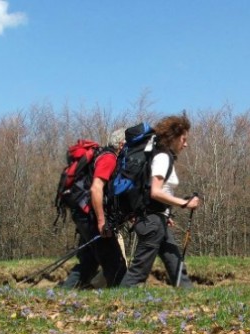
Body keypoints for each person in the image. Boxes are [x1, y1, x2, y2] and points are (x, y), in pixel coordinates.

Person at [120, 114, 202, 288]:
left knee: (175, 261)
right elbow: (155, 191)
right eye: (183, 139)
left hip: (157, 219)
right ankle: (117, 305)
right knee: (138, 272)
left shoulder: (161, 156)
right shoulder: (162, 157)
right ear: (174, 137)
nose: (186, 144)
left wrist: (166, 212)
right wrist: (184, 203)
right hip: (152, 222)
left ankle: (189, 295)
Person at [61, 129, 127, 289]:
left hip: (83, 214)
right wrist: (101, 221)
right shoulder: (109, 158)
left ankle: (62, 294)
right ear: (121, 144)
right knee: (115, 264)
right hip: (90, 217)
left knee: (89, 263)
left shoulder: (103, 156)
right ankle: (123, 302)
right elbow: (96, 188)